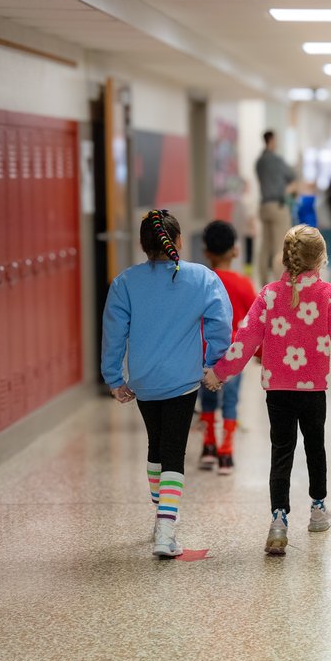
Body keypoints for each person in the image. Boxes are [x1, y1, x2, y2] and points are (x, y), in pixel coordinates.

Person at [204, 226, 331, 556]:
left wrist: (219, 373)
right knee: (315, 447)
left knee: (281, 451)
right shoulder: (328, 296)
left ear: (285, 257)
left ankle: (278, 521)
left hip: (277, 390)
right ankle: (318, 509)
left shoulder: (268, 295)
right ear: (321, 259)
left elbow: (245, 341)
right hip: (312, 391)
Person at [101, 209, 231, 558]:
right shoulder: (201, 278)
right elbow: (221, 324)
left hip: (143, 381)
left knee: (156, 445)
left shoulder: (125, 283)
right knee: (174, 450)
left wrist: (114, 379)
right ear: (177, 241)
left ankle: (161, 516)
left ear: (143, 246)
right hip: (182, 381)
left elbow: (114, 335)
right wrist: (213, 365)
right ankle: (166, 529)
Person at [196, 221, 258, 475]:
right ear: (235, 251)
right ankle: (226, 453)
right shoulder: (242, 283)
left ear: (206, 252)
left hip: (201, 351)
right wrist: (261, 353)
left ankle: (208, 446)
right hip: (232, 353)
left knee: (208, 399)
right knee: (230, 401)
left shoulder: (199, 281)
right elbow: (257, 322)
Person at [255, 130, 297, 284]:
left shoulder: (259, 162)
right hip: (278, 206)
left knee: (265, 246)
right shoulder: (277, 160)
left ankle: (263, 281)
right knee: (280, 246)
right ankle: (280, 283)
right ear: (272, 140)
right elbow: (292, 175)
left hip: (264, 206)